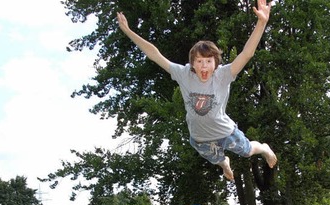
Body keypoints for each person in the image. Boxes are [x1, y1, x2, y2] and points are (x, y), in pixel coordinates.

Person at [116, 0, 278, 182]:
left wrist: (261, 23)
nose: (204, 66)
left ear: (215, 63)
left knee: (247, 151)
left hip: (225, 131)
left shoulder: (224, 75)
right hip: (200, 137)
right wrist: (129, 32)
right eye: (199, 61)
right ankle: (225, 163)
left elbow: (246, 54)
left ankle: (264, 148)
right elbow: (155, 55)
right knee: (218, 160)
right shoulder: (183, 74)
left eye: (209, 61)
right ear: (192, 63)